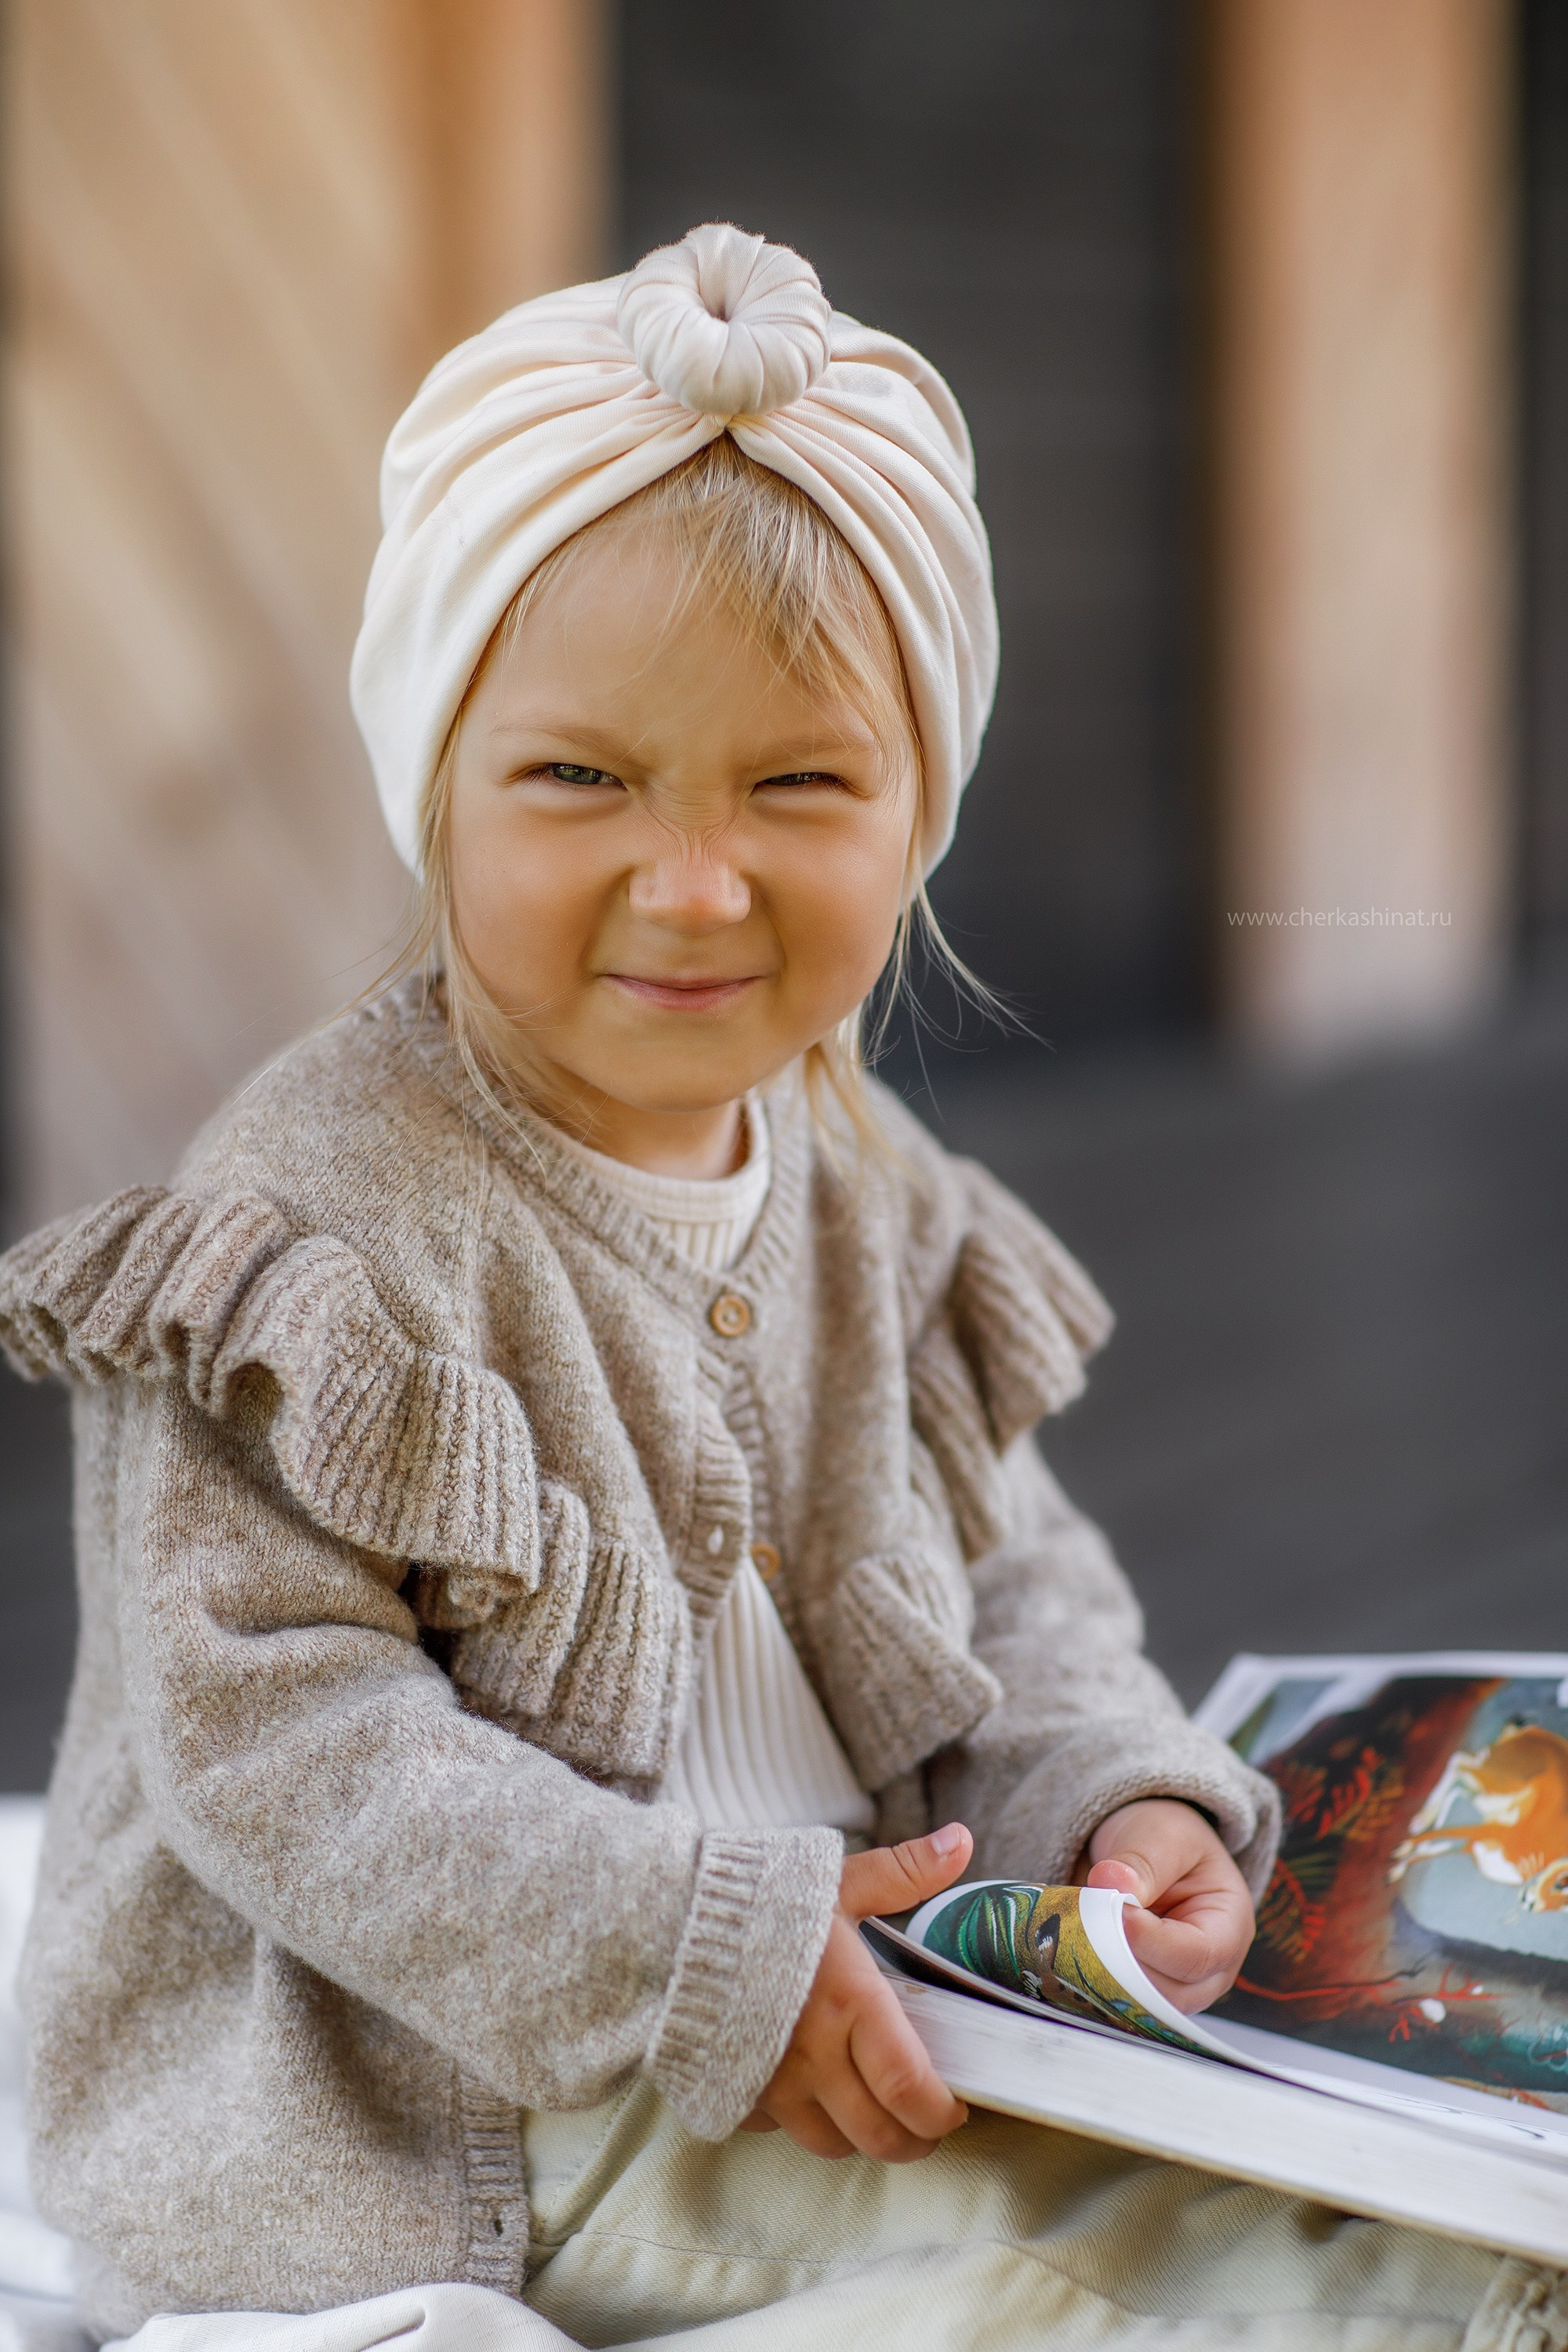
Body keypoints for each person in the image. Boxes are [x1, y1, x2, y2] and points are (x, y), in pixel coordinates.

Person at [0, 226, 1553, 2351]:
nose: (696, 878)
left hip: (861, 1972)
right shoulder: (320, 1222)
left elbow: (1007, 1565)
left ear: (919, 817)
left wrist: (1106, 1790)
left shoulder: (861, 1170)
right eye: (579, 778)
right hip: (473, 2085)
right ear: (430, 783)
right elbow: (286, 1743)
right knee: (1148, 2287)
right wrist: (693, 1941)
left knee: (1303, 2166)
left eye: (799, 783)